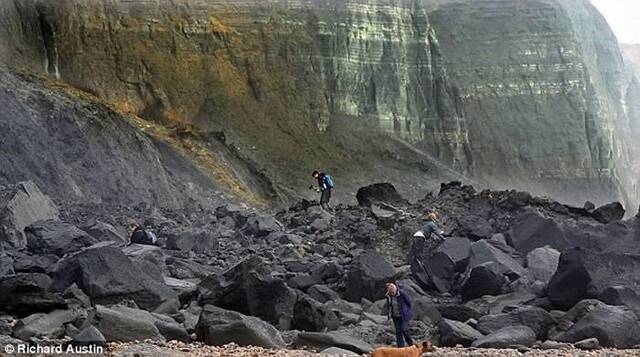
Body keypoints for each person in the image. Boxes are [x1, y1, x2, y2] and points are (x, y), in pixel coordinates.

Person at [382, 282, 414, 347]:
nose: (392, 294)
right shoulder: (388, 296)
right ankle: (401, 347)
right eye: (391, 293)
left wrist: (406, 310)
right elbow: (389, 305)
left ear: (395, 290)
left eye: (393, 292)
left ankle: (411, 344)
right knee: (398, 332)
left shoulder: (402, 294)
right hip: (395, 316)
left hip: (403, 316)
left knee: (404, 330)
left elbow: (409, 302)